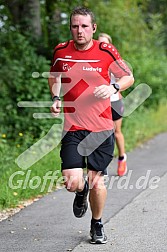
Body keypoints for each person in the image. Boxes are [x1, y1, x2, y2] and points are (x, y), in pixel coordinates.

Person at [49, 6, 134, 244]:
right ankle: (80, 190)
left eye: (85, 26)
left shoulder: (105, 51)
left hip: (101, 128)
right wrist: (56, 98)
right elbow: (54, 77)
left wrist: (113, 87)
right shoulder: (61, 51)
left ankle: (97, 223)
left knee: (98, 181)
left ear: (93, 28)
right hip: (73, 128)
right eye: (75, 26)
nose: (80, 31)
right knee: (72, 181)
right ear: (70, 28)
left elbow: (128, 76)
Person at [98, 33, 128, 176]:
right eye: (100, 43)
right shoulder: (93, 60)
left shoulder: (115, 61)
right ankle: (101, 164)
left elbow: (125, 79)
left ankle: (122, 158)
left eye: (106, 43)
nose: (103, 45)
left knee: (116, 133)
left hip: (114, 101)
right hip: (98, 104)